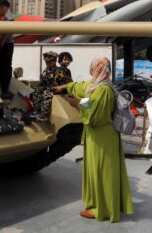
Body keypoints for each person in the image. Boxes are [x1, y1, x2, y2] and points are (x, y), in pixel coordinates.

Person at [54, 57, 134, 222]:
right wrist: (65, 87)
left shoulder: (103, 90)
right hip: (100, 136)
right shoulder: (97, 86)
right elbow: (83, 88)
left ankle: (101, 209)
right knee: (103, 171)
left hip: (102, 137)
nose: (91, 71)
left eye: (92, 68)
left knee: (102, 172)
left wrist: (77, 103)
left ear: (96, 70)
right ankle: (108, 204)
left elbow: (96, 115)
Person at [30, 51, 60, 120]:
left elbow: (60, 83)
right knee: (37, 91)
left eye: (50, 62)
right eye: (46, 62)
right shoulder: (45, 70)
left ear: (55, 61)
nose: (48, 64)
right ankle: (37, 110)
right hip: (46, 87)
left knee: (46, 93)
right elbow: (42, 82)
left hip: (55, 88)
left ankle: (44, 114)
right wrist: (38, 88)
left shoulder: (58, 71)